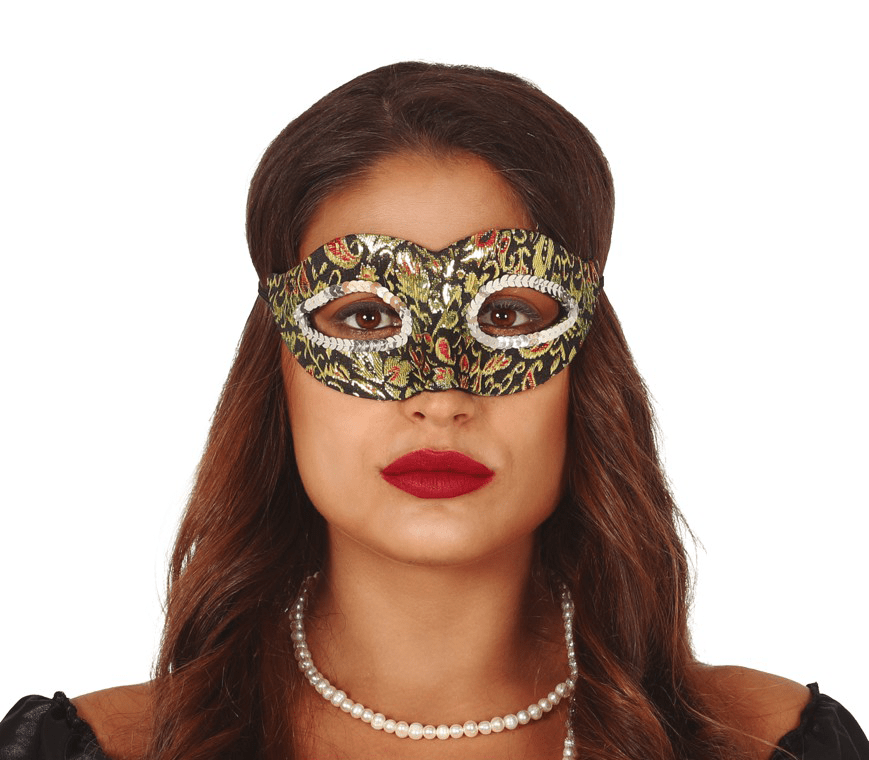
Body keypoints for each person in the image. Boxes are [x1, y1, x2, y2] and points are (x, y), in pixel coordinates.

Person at [1, 62, 866, 760]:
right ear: (279, 367)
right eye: (365, 319)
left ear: (585, 366)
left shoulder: (768, 743)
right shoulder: (94, 748)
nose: (441, 396)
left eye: (507, 316)